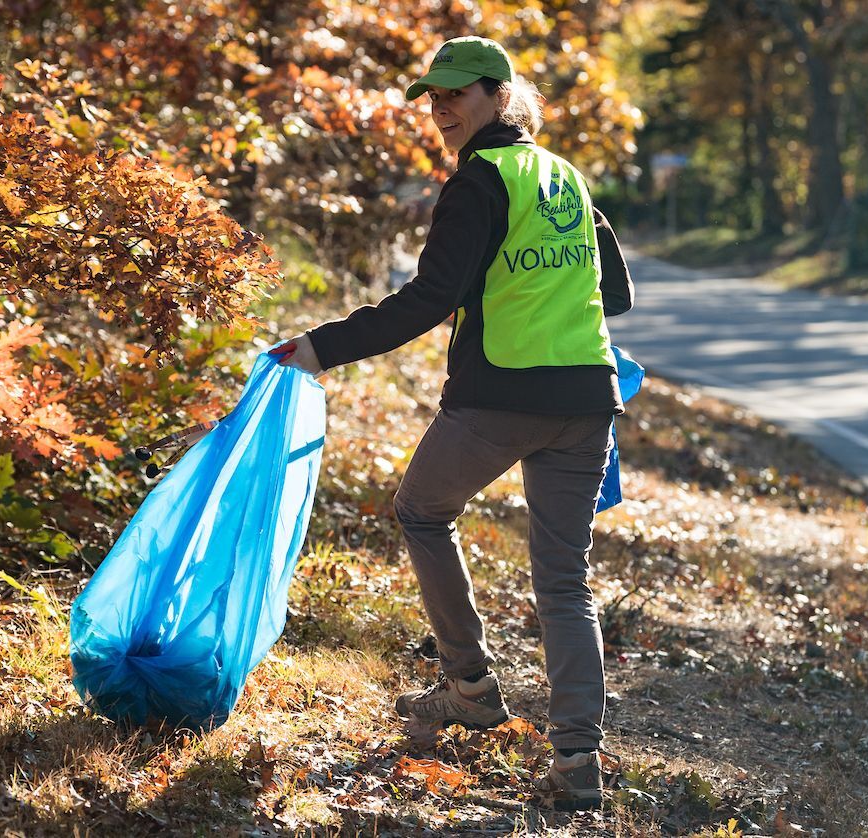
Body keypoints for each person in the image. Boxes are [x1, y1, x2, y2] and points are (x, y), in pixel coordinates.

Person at [272, 35, 634, 812]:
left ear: (498, 96)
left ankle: (469, 683)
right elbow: (616, 294)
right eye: (432, 97)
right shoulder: (561, 175)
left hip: (503, 395)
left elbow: (428, 299)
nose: (440, 109)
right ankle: (578, 761)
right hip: (589, 400)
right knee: (566, 580)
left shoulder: (478, 182)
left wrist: (319, 348)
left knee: (420, 510)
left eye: (456, 94)